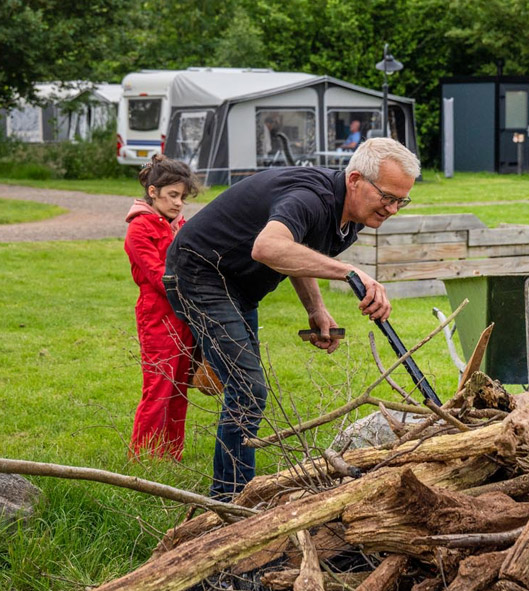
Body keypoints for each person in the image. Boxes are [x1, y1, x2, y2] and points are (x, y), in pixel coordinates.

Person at [164, 137, 420, 500]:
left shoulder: (348, 216)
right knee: (248, 389)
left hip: (236, 284)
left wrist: (315, 308)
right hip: (200, 272)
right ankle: (230, 500)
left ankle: (236, 488)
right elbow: (268, 247)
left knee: (244, 388)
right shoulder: (310, 199)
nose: (393, 209)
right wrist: (350, 271)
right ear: (355, 179)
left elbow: (298, 252)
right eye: (388, 197)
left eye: (401, 200)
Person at [124, 154, 200, 460]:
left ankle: (172, 453)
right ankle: (142, 456)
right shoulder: (139, 228)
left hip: (183, 315)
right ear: (152, 192)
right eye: (172, 195)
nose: (179, 203)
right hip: (157, 315)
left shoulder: (179, 224)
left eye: (182, 197)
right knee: (159, 386)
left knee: (180, 386)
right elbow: (158, 275)